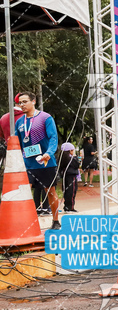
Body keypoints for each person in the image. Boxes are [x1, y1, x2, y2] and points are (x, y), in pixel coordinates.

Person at [14, 92, 62, 229]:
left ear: (33, 101)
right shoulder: (19, 122)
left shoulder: (45, 118)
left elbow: (53, 137)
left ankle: (56, 221)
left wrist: (49, 152)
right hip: (28, 164)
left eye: (25, 102)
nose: (22, 105)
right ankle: (26, 223)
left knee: (50, 192)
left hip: (46, 162)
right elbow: (17, 142)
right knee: (25, 192)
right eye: (20, 103)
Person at [0, 93, 25, 169]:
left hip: (9, 153)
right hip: (27, 154)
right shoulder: (28, 117)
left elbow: (1, 136)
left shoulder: (3, 118)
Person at [59, 143, 80, 212]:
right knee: (72, 191)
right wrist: (75, 157)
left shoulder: (63, 158)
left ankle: (67, 206)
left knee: (67, 191)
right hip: (71, 176)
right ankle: (70, 207)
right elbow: (76, 165)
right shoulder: (71, 159)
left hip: (66, 176)